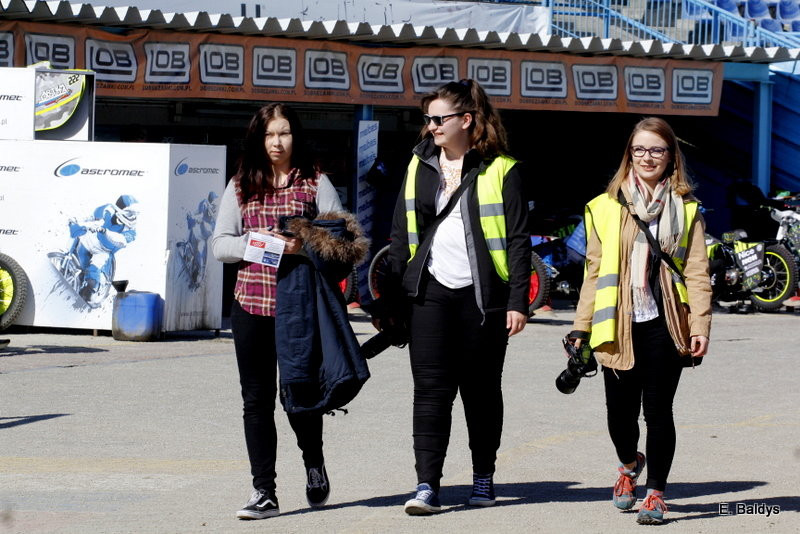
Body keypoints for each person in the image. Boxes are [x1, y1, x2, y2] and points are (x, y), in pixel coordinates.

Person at [380, 79, 530, 514]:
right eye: (427, 119)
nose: (431, 126)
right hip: (429, 293)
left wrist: (518, 301)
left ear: (466, 120)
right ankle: (427, 485)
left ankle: (483, 477)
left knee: (481, 393)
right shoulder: (418, 164)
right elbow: (400, 233)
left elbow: (518, 241)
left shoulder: (502, 169)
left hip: (483, 298)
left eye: (439, 118)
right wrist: (390, 299)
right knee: (430, 392)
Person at [570, 117, 712, 525]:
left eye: (657, 150)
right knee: (620, 415)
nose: (648, 157)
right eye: (640, 150)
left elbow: (698, 271)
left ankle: (656, 494)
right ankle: (629, 465)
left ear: (670, 157)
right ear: (629, 155)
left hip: (666, 322)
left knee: (659, 411)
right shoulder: (604, 206)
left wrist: (700, 326)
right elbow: (594, 272)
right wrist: (581, 327)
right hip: (616, 323)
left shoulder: (687, 209)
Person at [210, 103, 344, 520]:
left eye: (284, 133)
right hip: (251, 305)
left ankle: (313, 461)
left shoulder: (315, 182)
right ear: (258, 138)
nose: (277, 142)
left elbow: (343, 242)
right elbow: (220, 245)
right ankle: (263, 490)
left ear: (295, 136)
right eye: (269, 134)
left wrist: (304, 243)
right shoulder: (240, 185)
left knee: (300, 394)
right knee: (256, 399)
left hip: (300, 309)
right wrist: (256, 243)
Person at [67, 194, 139, 305]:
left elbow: (121, 239)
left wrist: (106, 232)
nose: (133, 217)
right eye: (130, 213)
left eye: (134, 214)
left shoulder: (131, 231)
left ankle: (90, 292)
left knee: (93, 273)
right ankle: (68, 267)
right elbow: (92, 216)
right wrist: (77, 220)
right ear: (120, 210)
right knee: (79, 244)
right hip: (93, 239)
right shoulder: (108, 209)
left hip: (104, 251)